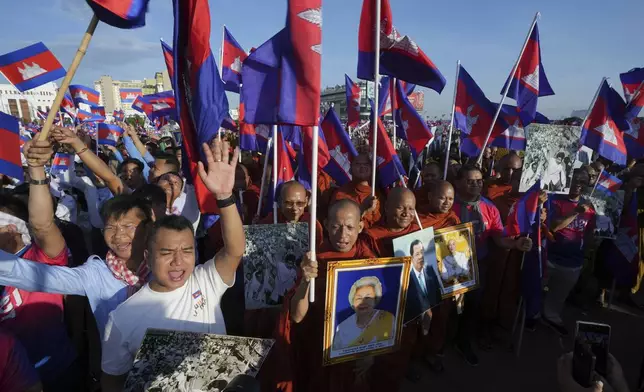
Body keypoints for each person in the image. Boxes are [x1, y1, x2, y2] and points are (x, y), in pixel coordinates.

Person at [101, 139, 244, 390]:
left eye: (186, 250)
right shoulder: (122, 318)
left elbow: (234, 250)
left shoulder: (205, 281)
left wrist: (223, 196)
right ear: (147, 256)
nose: (178, 261)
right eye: (167, 252)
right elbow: (113, 380)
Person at [0, 139, 79, 391]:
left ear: (12, 228)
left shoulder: (39, 259)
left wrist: (35, 170)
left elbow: (43, 226)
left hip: (58, 373)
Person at [285, 199, 377, 392]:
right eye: (336, 226)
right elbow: (297, 316)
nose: (343, 235)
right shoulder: (314, 260)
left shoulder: (368, 261)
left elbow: (378, 313)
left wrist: (371, 352)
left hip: (356, 346)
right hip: (319, 345)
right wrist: (305, 281)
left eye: (350, 227)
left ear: (360, 226)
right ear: (326, 224)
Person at [544, 169, 595, 336]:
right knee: (535, 290)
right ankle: (531, 314)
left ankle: (550, 316)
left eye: (582, 182)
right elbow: (554, 226)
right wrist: (575, 212)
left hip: (573, 262)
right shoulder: (555, 200)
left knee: (558, 296)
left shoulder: (590, 207)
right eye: (575, 181)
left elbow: (589, 232)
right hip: (549, 257)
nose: (578, 185)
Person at [331, 276, 395, 350]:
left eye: (368, 298)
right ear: (352, 303)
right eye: (359, 298)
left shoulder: (388, 318)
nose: (363, 302)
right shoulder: (342, 328)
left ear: (375, 301)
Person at [331, 151, 383, 229]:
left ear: (372, 169)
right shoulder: (342, 193)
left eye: (366, 164)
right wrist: (362, 209)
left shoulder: (379, 193)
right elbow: (339, 224)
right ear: (350, 169)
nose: (362, 166)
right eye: (358, 164)